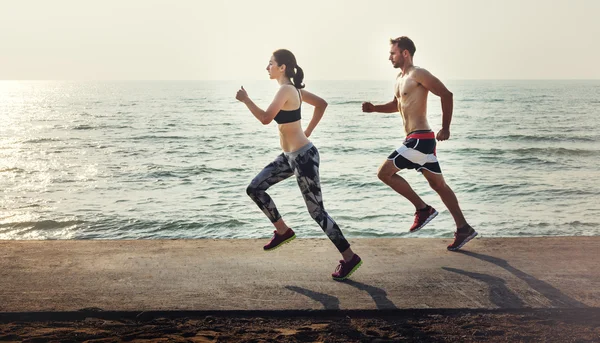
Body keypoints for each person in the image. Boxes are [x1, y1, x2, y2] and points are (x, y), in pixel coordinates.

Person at [236, 49, 362, 280]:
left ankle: (350, 257)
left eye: (271, 63)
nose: (267, 67)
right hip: (289, 157)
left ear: (282, 67)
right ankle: (283, 230)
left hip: (303, 158)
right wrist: (308, 130)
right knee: (255, 188)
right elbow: (321, 104)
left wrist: (246, 100)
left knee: (317, 212)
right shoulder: (295, 91)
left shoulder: (287, 89)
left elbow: (265, 119)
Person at [362, 36, 477, 251]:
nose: (389, 57)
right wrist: (374, 108)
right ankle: (464, 228)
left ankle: (422, 209)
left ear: (405, 53)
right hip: (415, 140)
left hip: (420, 139)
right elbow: (398, 105)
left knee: (384, 174)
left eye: (393, 53)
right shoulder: (399, 78)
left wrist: (446, 127)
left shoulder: (418, 74)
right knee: (438, 185)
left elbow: (446, 94)